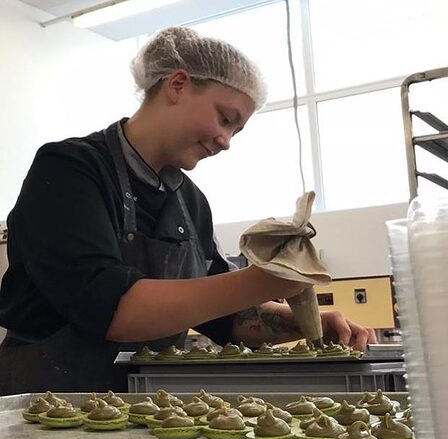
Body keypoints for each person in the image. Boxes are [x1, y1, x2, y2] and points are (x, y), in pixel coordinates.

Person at [0, 27, 376, 395]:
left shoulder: (190, 202)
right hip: (41, 408)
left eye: (236, 131)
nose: (225, 142)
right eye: (225, 118)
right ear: (177, 85)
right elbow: (113, 309)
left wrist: (305, 323)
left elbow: (225, 317)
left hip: (146, 408)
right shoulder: (69, 169)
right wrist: (268, 280)